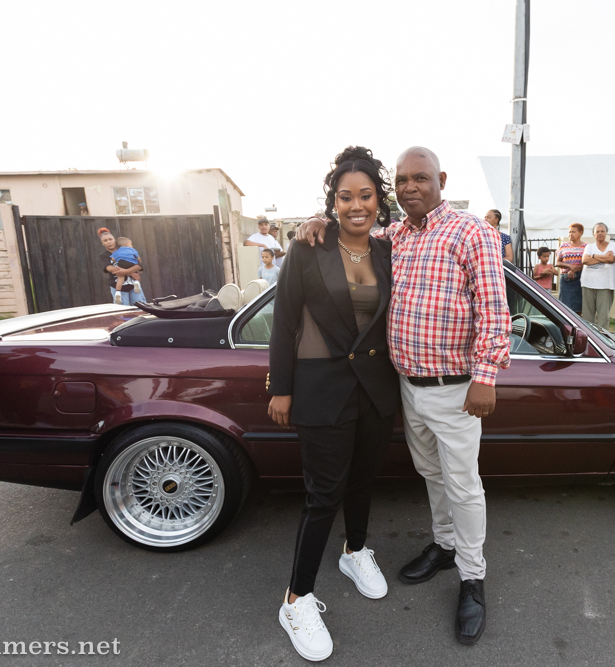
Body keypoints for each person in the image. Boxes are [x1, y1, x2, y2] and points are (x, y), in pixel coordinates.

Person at [297, 146, 511, 646]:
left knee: (463, 485)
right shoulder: (394, 237)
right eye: (403, 180)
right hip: (407, 389)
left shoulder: (471, 231)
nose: (410, 187)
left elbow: (494, 310)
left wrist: (486, 376)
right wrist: (317, 221)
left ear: (441, 178)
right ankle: (443, 545)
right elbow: (351, 230)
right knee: (431, 474)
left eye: (420, 178)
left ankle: (473, 579)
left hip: (456, 391)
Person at [268, 146, 400, 662]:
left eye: (365, 195)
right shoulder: (309, 247)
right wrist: (281, 387)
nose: (356, 205)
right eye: (345, 197)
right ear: (333, 202)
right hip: (321, 387)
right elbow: (284, 321)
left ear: (377, 199)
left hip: (374, 389)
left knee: (363, 481)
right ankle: (296, 599)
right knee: (324, 494)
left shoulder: (390, 251)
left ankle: (354, 551)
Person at [580, 223, 615, 329]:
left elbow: (611, 259)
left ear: (606, 233)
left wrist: (593, 256)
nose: (600, 233)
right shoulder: (589, 246)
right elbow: (585, 260)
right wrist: (603, 256)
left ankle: (603, 341)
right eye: (597, 231)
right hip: (588, 284)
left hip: (605, 285)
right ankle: (589, 339)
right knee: (588, 317)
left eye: (602, 231)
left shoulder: (612, 245)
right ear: (593, 234)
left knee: (603, 317)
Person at [97, 227, 145, 306]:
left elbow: (139, 265)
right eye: (105, 241)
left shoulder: (126, 250)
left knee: (141, 308)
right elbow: (109, 268)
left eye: (110, 239)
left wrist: (127, 271)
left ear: (114, 240)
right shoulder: (103, 256)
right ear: (103, 243)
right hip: (117, 286)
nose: (109, 242)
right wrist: (130, 273)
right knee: (121, 311)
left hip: (134, 285)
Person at [554, 223, 586, 314]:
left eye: (573, 232)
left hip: (580, 278)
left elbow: (587, 262)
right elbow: (557, 262)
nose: (570, 234)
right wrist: (570, 267)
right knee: (564, 306)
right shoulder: (564, 246)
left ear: (581, 233)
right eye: (569, 232)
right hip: (566, 278)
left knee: (578, 306)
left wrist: (575, 270)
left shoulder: (586, 246)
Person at [110, 237, 141, 305]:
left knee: (120, 279)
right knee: (137, 274)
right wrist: (138, 262)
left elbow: (113, 258)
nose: (131, 246)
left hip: (121, 263)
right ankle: (136, 282)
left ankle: (118, 292)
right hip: (131, 263)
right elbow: (138, 258)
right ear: (127, 244)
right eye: (131, 244)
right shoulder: (132, 250)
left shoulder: (116, 251)